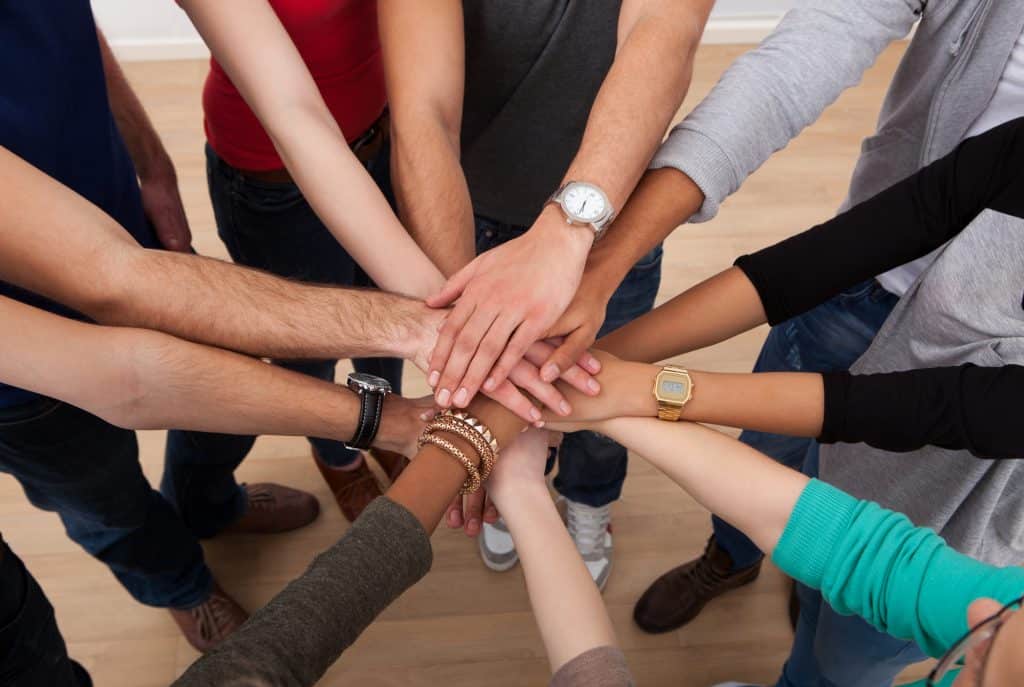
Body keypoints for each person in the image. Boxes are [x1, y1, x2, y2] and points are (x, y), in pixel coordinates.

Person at [593, 115, 1024, 686]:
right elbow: (826, 256)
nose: (982, 622)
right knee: (799, 528)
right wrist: (599, 363)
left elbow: (940, 407)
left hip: (956, 529)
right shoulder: (1014, 148)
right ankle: (744, 567)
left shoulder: (977, 600)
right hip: (863, 470)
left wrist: (643, 390)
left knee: (835, 662)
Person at [378, 0, 713, 587]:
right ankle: (517, 483)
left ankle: (590, 500)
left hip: (612, 218)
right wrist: (472, 345)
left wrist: (571, 231)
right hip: (469, 207)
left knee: (595, 386)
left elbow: (664, 32)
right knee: (516, 390)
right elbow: (423, 112)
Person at [168, 0, 410, 523]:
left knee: (388, 324)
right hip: (274, 176)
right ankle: (338, 455)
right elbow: (292, 111)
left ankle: (388, 418)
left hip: (378, 137)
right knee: (311, 349)